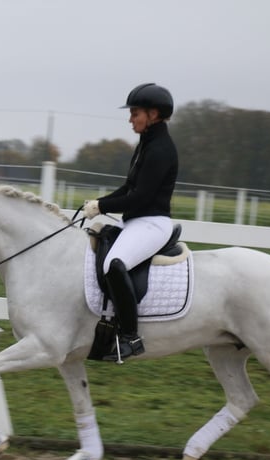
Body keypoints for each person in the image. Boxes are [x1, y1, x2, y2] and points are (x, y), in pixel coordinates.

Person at [82, 82, 179, 361]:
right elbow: (127, 189)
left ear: (153, 114)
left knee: (115, 265)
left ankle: (130, 337)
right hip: (137, 221)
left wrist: (102, 206)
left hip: (152, 223)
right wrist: (97, 204)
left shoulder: (161, 149)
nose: (130, 119)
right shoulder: (146, 144)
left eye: (135, 113)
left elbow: (140, 197)